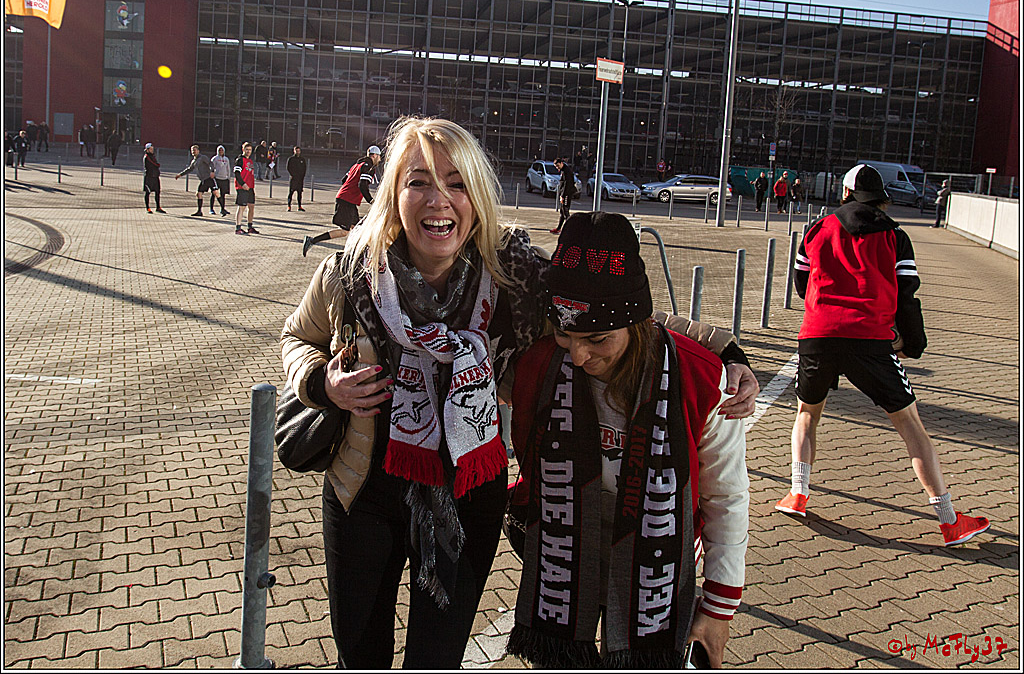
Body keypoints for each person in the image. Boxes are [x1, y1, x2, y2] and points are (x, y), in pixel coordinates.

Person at [281, 117, 759, 669]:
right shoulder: (348, 272)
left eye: (457, 183)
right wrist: (322, 383)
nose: (439, 200)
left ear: (477, 196)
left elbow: (616, 313)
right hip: (363, 492)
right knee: (360, 657)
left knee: (435, 661)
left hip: (468, 494)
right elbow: (297, 337)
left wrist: (725, 350)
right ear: (393, 192)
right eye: (419, 182)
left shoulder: (514, 274)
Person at [505, 211, 749, 669]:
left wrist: (719, 608)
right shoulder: (537, 364)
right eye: (565, 334)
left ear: (636, 323)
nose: (579, 356)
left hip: (658, 560)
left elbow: (726, 498)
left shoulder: (700, 378)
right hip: (562, 554)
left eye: (598, 339)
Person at [777, 164, 989, 547]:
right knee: (910, 425)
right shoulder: (895, 236)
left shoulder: (817, 229)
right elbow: (907, 293)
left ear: (845, 193)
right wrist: (912, 342)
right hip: (869, 339)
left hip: (818, 334)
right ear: (881, 198)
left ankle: (797, 494)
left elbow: (801, 282)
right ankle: (949, 521)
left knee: (807, 414)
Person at [301, 145, 381, 257]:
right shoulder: (369, 168)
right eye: (379, 157)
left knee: (356, 228)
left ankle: (358, 254)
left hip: (347, 199)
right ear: (375, 156)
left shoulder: (356, 165)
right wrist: (372, 201)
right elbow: (362, 186)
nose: (379, 159)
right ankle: (312, 240)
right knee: (344, 231)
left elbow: (344, 180)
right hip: (347, 200)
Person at [175, 144, 220, 217]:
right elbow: (189, 169)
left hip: (208, 178)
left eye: (195, 150)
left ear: (198, 151)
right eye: (192, 150)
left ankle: (222, 209)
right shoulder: (194, 161)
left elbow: (210, 163)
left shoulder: (203, 157)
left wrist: (212, 171)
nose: (193, 152)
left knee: (216, 193)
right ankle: (199, 211)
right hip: (203, 180)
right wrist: (180, 174)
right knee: (199, 193)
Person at [233, 142, 258, 234]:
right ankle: (238, 228)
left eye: (250, 150)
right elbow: (237, 173)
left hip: (250, 187)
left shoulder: (250, 161)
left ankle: (250, 227)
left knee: (251, 206)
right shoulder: (240, 160)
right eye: (246, 149)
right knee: (242, 207)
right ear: (243, 149)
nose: (248, 151)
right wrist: (243, 184)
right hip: (242, 187)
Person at [549, 157, 575, 235]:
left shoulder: (567, 171)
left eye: (558, 165)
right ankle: (559, 228)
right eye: (556, 166)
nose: (557, 168)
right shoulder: (564, 170)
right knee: (562, 212)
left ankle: (571, 229)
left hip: (567, 194)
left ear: (561, 163)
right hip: (564, 193)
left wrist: (562, 196)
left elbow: (567, 184)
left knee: (565, 212)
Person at [143, 143, 166, 214]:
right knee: (148, 192)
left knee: (157, 192)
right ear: (147, 150)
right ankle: (148, 208)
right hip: (149, 177)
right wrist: (157, 165)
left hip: (155, 177)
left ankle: (158, 207)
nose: (152, 150)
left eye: (152, 149)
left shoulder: (153, 156)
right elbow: (153, 165)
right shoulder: (147, 157)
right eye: (150, 149)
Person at [211, 145, 232, 216]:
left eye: (222, 150)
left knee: (223, 195)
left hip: (224, 179)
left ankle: (222, 209)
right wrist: (213, 175)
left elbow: (228, 168)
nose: (221, 151)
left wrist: (228, 177)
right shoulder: (215, 159)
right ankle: (211, 209)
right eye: (219, 150)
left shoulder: (226, 159)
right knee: (214, 194)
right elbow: (212, 167)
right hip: (217, 178)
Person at [286, 146, 308, 212]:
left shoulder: (302, 159)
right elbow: (288, 168)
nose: (297, 152)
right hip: (293, 178)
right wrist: (292, 174)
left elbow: (304, 168)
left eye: (298, 151)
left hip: (300, 179)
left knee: (299, 193)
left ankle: (299, 206)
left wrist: (302, 176)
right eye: (296, 151)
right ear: (294, 151)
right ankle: (289, 206)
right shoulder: (291, 159)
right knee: (291, 193)